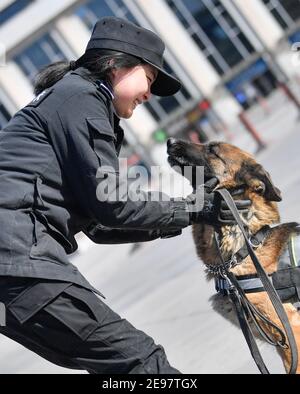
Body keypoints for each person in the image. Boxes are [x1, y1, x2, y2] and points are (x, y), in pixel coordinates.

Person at [0, 17, 250, 374]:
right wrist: (195, 207)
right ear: (115, 65)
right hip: (18, 262)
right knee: (140, 362)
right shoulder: (81, 96)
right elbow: (114, 204)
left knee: (118, 367)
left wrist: (190, 213)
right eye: (148, 79)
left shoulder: (75, 101)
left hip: (11, 276)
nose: (149, 93)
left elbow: (100, 222)